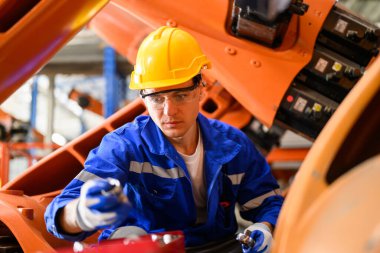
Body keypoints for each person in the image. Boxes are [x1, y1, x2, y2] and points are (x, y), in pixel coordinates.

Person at [45, 26, 284, 253]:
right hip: (144, 248)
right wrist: (81, 213)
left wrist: (265, 227)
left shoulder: (233, 145)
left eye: (180, 95)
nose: (169, 111)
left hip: (219, 247)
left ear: (201, 89)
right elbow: (58, 211)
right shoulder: (124, 147)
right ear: (143, 97)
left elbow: (267, 203)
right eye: (157, 99)